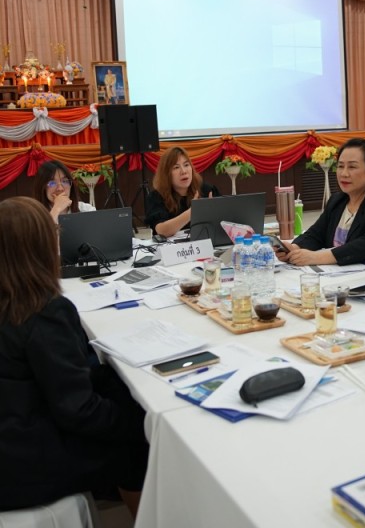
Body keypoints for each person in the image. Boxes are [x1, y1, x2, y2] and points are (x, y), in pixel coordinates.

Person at [0, 197, 148, 515]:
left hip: (14, 431)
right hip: (22, 464)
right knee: (137, 442)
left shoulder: (13, 300)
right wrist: (142, 421)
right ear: (39, 246)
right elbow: (79, 410)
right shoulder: (42, 309)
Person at [279, 138, 365, 273]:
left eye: (352, 167)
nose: (344, 173)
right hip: (343, 277)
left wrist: (317, 257)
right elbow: (316, 234)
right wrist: (294, 248)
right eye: (340, 166)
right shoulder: (337, 201)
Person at [145, 146, 219, 237]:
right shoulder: (156, 196)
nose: (183, 171)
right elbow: (162, 230)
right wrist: (193, 211)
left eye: (186, 165)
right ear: (166, 174)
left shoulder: (206, 190)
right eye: (176, 167)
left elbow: (224, 221)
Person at [34, 160, 95, 224]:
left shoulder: (86, 210)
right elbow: (41, 230)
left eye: (65, 181)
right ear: (42, 187)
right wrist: (56, 209)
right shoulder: (33, 215)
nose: (60, 188)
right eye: (52, 183)